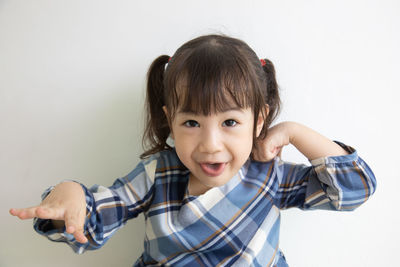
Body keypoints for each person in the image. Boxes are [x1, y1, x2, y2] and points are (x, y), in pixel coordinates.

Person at [9, 34, 376, 266]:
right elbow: (93, 218)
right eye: (191, 123)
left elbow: (355, 188)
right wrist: (69, 198)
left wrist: (294, 132)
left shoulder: (271, 174)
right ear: (170, 120)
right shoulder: (158, 173)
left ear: (259, 120)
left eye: (230, 122)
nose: (210, 144)